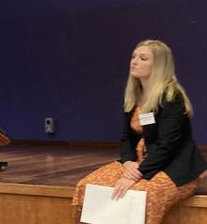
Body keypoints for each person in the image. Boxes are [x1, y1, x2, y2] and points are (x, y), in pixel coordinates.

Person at [72, 40, 207, 224]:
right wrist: (127, 162)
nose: (134, 62)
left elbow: (167, 145)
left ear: (159, 66)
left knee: (140, 196)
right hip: (137, 162)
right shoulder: (134, 95)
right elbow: (127, 137)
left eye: (143, 58)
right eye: (133, 56)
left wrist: (136, 174)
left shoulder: (171, 96)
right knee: (87, 186)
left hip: (172, 166)